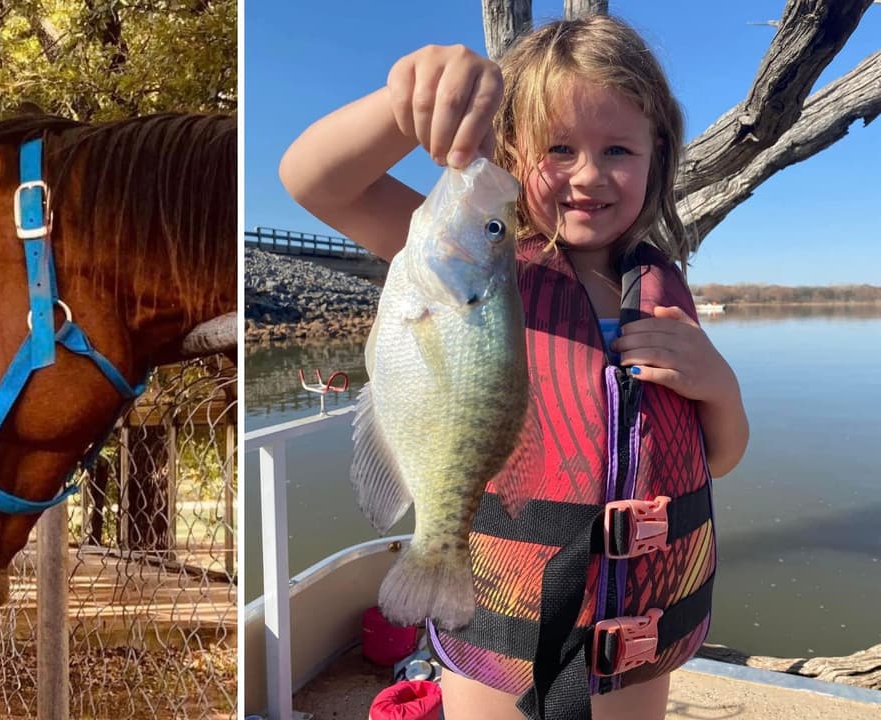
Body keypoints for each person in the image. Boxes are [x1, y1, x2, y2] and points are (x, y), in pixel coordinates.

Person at [281, 15, 749, 720]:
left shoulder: (660, 296)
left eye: (617, 148)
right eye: (559, 148)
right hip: (502, 627)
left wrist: (720, 386)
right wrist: (407, 105)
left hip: (636, 639)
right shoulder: (478, 264)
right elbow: (313, 179)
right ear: (510, 152)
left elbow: (721, 457)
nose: (588, 174)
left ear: (659, 153)